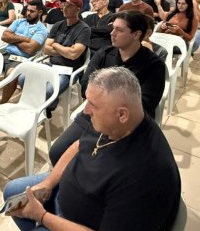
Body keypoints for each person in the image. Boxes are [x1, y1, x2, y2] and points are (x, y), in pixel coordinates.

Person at [0, 67, 180, 231]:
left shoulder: (145, 175)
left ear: (122, 114)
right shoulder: (115, 124)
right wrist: (48, 183)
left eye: (92, 105)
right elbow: (79, 146)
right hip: (72, 199)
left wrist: (42, 217)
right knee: (12, 191)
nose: (85, 110)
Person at [49, 11, 167, 164]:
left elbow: (144, 105)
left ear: (136, 34)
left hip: (124, 126)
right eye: (113, 28)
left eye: (119, 30)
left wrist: (101, 96)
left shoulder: (153, 65)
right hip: (93, 115)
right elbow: (85, 85)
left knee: (94, 164)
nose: (112, 33)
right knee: (57, 153)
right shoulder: (105, 53)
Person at [34, 0, 90, 117]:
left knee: (48, 91)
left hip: (69, 70)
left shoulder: (84, 29)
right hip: (52, 64)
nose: (64, 8)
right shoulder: (58, 25)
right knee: (23, 78)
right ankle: (49, 103)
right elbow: (46, 49)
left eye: (69, 5)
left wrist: (55, 45)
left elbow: (73, 55)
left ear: (77, 9)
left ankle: (47, 108)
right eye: (63, 4)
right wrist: (65, 50)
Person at [0, 0, 49, 103]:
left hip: (22, 58)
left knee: (11, 74)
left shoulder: (41, 29)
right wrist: (24, 39)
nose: (28, 13)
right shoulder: (19, 22)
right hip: (6, 53)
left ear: (40, 12)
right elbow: (4, 36)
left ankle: (2, 103)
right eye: (27, 10)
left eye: (32, 11)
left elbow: (30, 49)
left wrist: (13, 39)